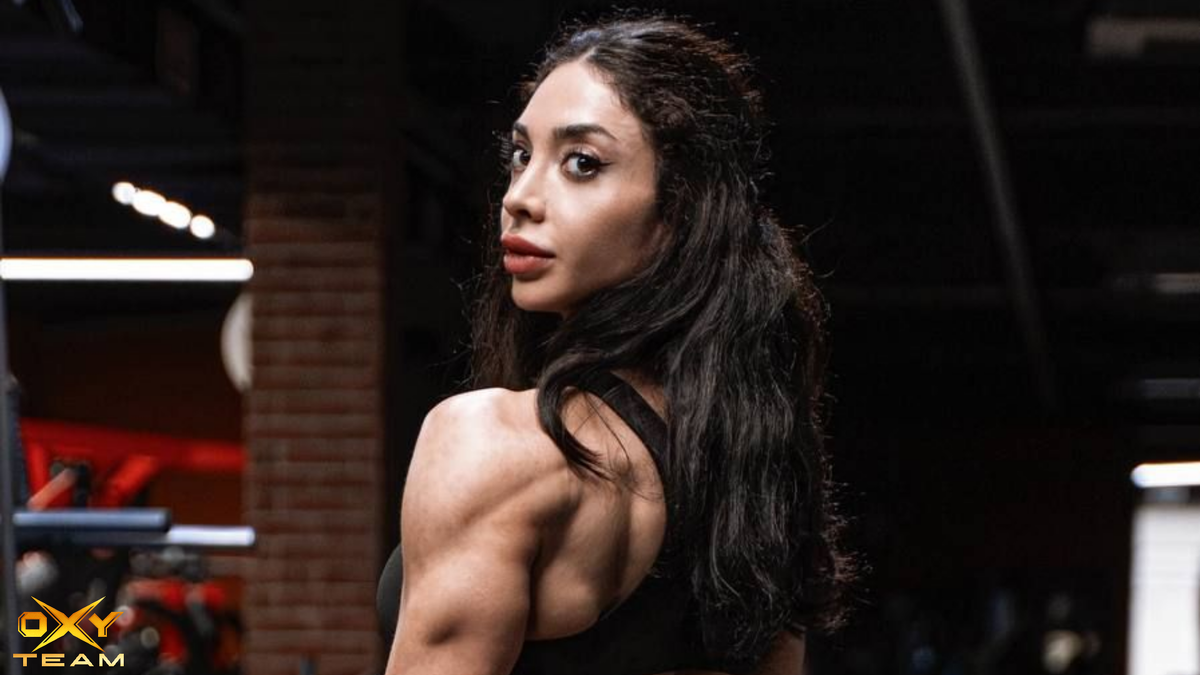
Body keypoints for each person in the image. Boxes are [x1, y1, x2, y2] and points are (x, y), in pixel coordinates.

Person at [377, 12, 852, 675]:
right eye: (521, 155)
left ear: (677, 212)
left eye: (582, 163)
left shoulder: (490, 442)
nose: (520, 198)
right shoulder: (754, 468)